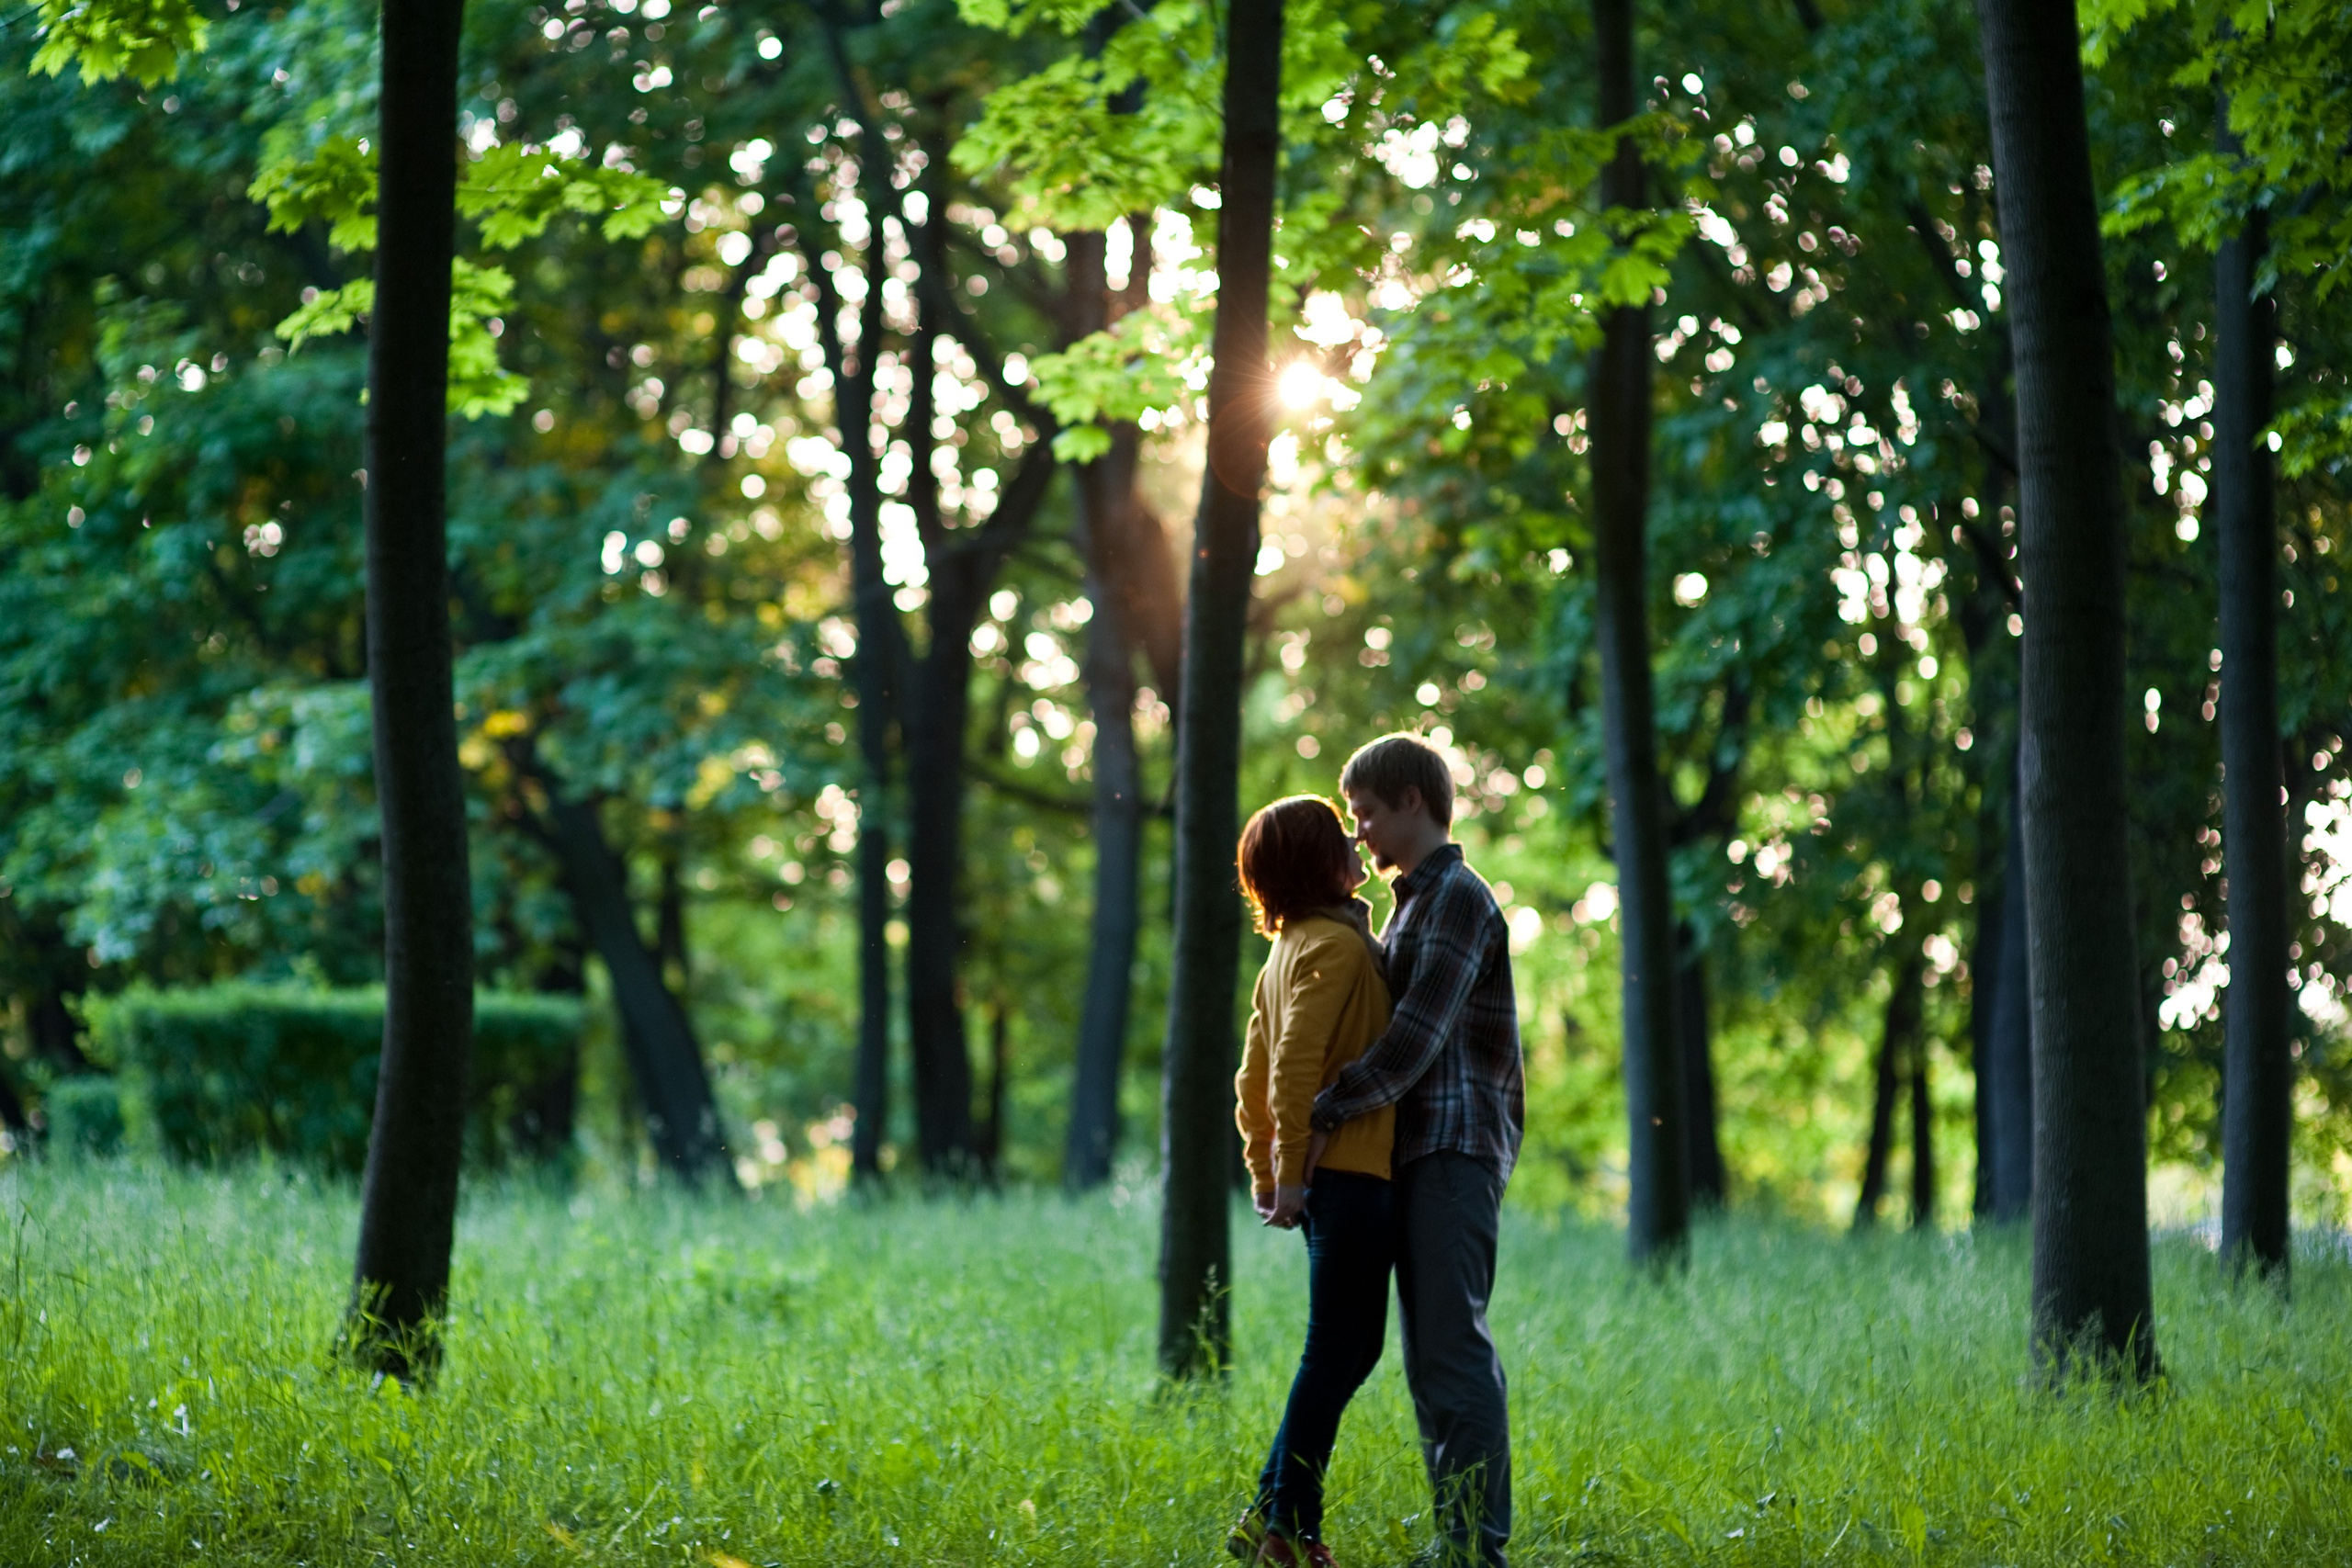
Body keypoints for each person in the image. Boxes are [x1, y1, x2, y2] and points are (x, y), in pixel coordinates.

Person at [1310, 733, 1524, 1568]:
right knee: (1427, 1353)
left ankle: (1476, 1547)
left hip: (1454, 1145)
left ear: (1411, 800)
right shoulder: (1412, 903)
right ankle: (1457, 1536)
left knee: (1450, 1346)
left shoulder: (1460, 899)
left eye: (1365, 811)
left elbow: (1413, 1040)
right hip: (1417, 1149)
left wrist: (1325, 1112)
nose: (1357, 829)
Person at [1227, 795, 1396, 1568]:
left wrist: (1267, 1166)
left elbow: (1251, 1074)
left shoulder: (1292, 946)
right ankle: (1291, 1534)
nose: (1355, 841)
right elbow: (1290, 1066)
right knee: (1337, 1350)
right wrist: (1285, 1174)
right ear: (1312, 862)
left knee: (1352, 1346)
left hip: (1336, 1174)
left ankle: (1267, 1517)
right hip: (1350, 1173)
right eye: (1339, 836)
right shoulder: (1330, 946)